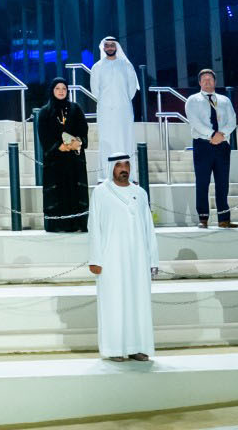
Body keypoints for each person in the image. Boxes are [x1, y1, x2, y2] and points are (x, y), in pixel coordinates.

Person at [88, 154, 158, 362]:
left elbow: (149, 228)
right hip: (110, 260)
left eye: (126, 164)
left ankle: (137, 346)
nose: (123, 168)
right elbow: (94, 227)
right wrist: (95, 259)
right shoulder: (101, 193)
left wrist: (152, 260)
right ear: (111, 167)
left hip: (138, 260)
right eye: (118, 165)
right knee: (114, 304)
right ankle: (114, 348)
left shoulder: (140, 193)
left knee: (138, 303)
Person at [186, 69, 238, 228]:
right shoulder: (192, 100)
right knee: (202, 181)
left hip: (222, 144)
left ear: (215, 82)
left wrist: (221, 135)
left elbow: (232, 120)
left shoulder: (224, 100)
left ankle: (224, 219)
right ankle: (203, 218)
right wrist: (212, 135)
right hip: (203, 144)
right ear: (200, 83)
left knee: (222, 182)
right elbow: (194, 122)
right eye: (204, 79)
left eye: (210, 79)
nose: (207, 82)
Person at [37, 79, 89, 233]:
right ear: (52, 90)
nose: (61, 91)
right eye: (57, 88)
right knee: (58, 192)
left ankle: (77, 223)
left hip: (74, 160)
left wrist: (78, 142)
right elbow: (44, 136)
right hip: (55, 161)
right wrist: (59, 146)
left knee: (74, 190)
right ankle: (57, 225)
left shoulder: (76, 109)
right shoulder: (45, 112)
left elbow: (83, 130)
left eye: (64, 88)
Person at [88, 37, 138, 169]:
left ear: (116, 47)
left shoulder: (126, 65)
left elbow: (132, 88)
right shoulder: (97, 67)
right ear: (103, 48)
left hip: (124, 110)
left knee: (125, 139)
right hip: (105, 111)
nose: (110, 48)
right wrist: (107, 102)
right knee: (106, 140)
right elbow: (95, 90)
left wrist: (121, 102)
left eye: (112, 45)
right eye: (107, 46)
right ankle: (105, 175)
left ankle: (129, 174)